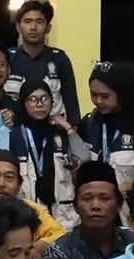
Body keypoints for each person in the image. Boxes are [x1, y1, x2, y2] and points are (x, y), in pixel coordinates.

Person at [38, 161, 133, 259]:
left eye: (105, 198)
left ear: (119, 205)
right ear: (75, 206)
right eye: (87, 198)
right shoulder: (58, 252)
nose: (95, 206)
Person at [76, 63, 134, 208]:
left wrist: (129, 187)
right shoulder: (88, 125)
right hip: (95, 211)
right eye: (93, 95)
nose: (98, 101)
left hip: (131, 211)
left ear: (122, 94)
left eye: (105, 96)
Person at [10, 79, 90, 230]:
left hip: (62, 215)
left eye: (44, 98)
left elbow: (84, 159)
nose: (39, 104)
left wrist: (68, 127)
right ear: (23, 103)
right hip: (28, 213)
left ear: (52, 102)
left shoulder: (60, 134)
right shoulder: (15, 135)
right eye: (33, 99)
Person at [6, 1, 80, 121]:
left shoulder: (59, 59)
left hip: (53, 128)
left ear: (48, 28)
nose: (33, 27)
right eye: (27, 21)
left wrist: (73, 126)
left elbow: (71, 100)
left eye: (39, 22)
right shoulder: (8, 58)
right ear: (18, 27)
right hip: (16, 128)